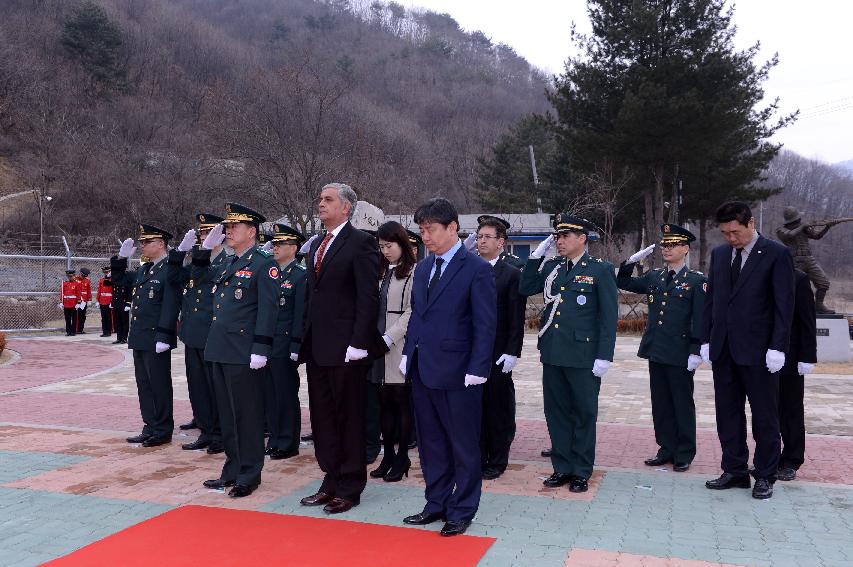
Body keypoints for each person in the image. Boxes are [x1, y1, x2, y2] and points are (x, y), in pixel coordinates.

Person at [400, 197, 496, 537]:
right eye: (422, 230)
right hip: (424, 369)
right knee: (431, 443)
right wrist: (408, 352)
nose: (425, 236)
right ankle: (436, 502)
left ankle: (462, 508)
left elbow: (485, 324)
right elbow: (418, 316)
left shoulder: (477, 269)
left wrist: (478, 367)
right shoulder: (424, 267)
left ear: (452, 228)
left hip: (460, 373)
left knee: (463, 445)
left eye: (431, 229)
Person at [702, 201, 795, 500]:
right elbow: (712, 301)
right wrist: (705, 339)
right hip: (724, 349)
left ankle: (765, 474)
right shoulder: (718, 255)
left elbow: (784, 305)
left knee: (765, 416)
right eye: (725, 233)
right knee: (727, 413)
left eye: (736, 232)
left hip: (760, 352)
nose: (731, 238)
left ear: (751, 223)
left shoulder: (776, 254)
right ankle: (735, 469)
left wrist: (778, 347)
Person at [519, 213, 618, 493]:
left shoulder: (599, 269)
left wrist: (604, 355)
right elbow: (525, 288)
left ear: (582, 239)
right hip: (553, 352)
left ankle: (581, 471)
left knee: (583, 413)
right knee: (557, 412)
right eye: (557, 237)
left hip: (583, 355)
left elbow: (607, 316)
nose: (559, 242)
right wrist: (536, 257)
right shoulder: (552, 267)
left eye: (565, 237)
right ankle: (562, 467)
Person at [298, 183, 381, 515]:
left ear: (346, 207)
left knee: (349, 419)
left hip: (347, 350)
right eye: (320, 199)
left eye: (328, 200)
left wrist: (359, 343)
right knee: (324, 418)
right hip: (318, 348)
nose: (321, 204)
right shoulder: (317, 244)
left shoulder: (361, 243)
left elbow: (367, 298)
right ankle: (330, 479)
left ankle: (350, 486)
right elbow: (312, 297)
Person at [197, 204, 278, 498]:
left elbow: (268, 312)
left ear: (252, 231)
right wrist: (205, 250)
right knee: (228, 416)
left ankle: (250, 473)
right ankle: (232, 468)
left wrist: (261, 348)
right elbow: (200, 277)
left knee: (247, 415)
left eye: (234, 227)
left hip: (244, 352)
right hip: (220, 349)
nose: (227, 231)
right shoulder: (230, 263)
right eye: (227, 227)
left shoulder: (262, 264)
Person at [617, 224, 706, 472]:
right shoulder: (655, 276)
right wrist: (631, 261)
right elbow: (623, 282)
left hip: (680, 352)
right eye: (665, 245)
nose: (667, 248)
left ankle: (684, 451)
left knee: (681, 402)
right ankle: (666, 447)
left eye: (673, 244)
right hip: (656, 349)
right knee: (661, 402)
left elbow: (699, 317)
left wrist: (696, 349)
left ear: (685, 249)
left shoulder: (696, 281)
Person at [111, 224, 180, 448]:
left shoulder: (170, 268)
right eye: (141, 242)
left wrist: (164, 335)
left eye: (146, 242)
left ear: (161, 244)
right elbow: (120, 281)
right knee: (144, 384)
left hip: (156, 337)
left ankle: (162, 429)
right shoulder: (145, 269)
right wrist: (121, 259)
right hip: (140, 335)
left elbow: (171, 304)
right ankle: (149, 425)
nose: (141, 246)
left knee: (159, 384)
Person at [168, 213, 227, 454]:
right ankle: (206, 430)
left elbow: (207, 277)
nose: (204, 238)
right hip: (192, 334)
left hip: (212, 334)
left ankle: (221, 434)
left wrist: (203, 253)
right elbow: (173, 278)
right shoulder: (197, 262)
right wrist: (180, 253)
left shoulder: (226, 261)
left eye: (208, 233)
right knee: (198, 387)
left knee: (215, 389)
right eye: (202, 234)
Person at [475, 215, 526, 481]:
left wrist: (512, 351)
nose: (481, 241)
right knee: (476, 406)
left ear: (501, 243)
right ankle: (479, 454)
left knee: (498, 407)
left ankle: (497, 459)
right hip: (472, 351)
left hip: (498, 351)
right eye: (479, 236)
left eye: (487, 237)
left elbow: (516, 317)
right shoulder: (470, 269)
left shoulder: (510, 274)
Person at [369, 221, 416, 483]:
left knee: (400, 402)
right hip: (376, 344)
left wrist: (389, 337)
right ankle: (387, 454)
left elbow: (412, 310)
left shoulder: (412, 272)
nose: (386, 251)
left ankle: (402, 457)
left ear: (402, 244)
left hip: (396, 343)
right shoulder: (380, 270)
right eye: (382, 246)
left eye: (390, 245)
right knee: (383, 404)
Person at [265, 223, 307, 460]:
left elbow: (300, 314)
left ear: (293, 248)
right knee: (270, 394)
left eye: (281, 244)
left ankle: (288, 442)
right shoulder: (271, 273)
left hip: (284, 344)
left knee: (285, 394)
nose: (275, 247)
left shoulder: (300, 276)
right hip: (267, 343)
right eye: (275, 244)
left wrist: (295, 345)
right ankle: (275, 438)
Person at [777, 269, 817, 481]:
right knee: (766, 411)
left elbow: (807, 320)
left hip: (790, 357)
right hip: (760, 355)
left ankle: (792, 459)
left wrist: (808, 356)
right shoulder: (756, 273)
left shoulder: (798, 278)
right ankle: (770, 456)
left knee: (790, 409)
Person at [776, 207, 835, 313]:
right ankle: (793, 309)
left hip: (809, 259)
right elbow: (790, 235)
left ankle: (819, 306)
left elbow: (817, 236)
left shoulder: (803, 228)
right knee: (794, 287)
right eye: (797, 220)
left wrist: (827, 227)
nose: (799, 221)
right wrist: (803, 226)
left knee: (824, 283)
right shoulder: (781, 230)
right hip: (795, 261)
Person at [60, 269, 80, 336]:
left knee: (74, 319)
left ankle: (73, 331)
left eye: (71, 276)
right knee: (67, 319)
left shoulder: (77, 284)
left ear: (74, 276)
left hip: (73, 304)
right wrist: (61, 302)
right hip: (66, 303)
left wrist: (78, 303)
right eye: (68, 276)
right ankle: (68, 331)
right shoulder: (65, 283)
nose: (70, 278)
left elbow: (78, 294)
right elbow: (62, 293)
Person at [96, 266, 114, 337]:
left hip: (109, 300)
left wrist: (112, 301)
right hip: (102, 300)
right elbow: (99, 291)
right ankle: (104, 331)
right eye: (105, 272)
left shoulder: (112, 280)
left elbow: (113, 291)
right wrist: (97, 300)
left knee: (109, 317)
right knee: (103, 317)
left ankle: (109, 331)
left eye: (107, 272)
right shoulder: (101, 280)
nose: (106, 273)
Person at [75, 268, 93, 333]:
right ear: (80, 273)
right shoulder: (75, 279)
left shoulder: (87, 281)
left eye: (85, 276)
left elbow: (89, 290)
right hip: (76, 301)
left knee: (82, 316)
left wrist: (89, 299)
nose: (83, 277)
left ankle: (80, 329)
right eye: (82, 275)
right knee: (76, 316)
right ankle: (75, 329)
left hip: (84, 301)